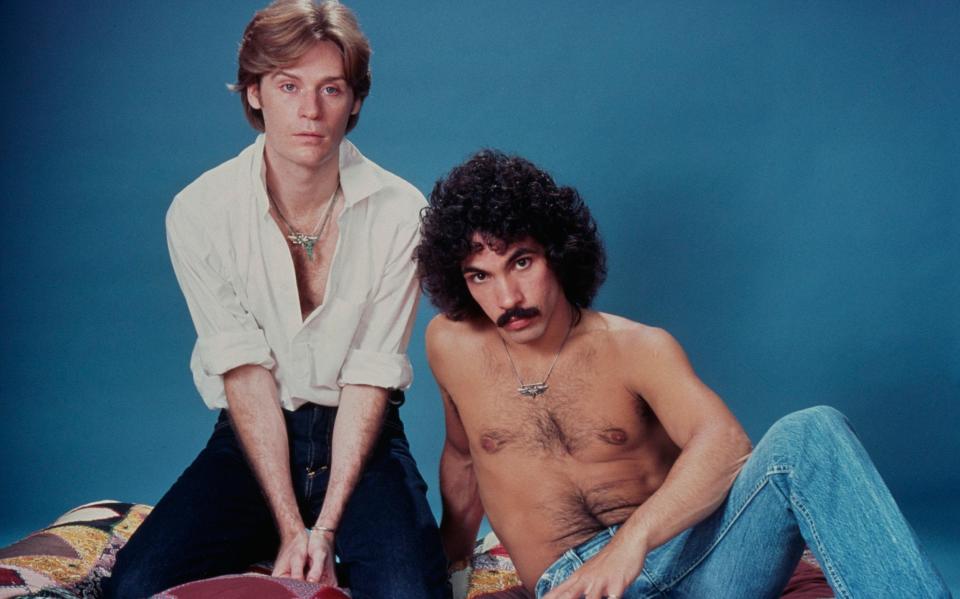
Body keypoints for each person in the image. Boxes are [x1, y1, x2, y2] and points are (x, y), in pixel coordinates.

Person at [415, 150, 950, 599]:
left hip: (695, 560)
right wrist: (451, 568)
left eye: (522, 262)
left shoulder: (636, 347)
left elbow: (724, 443)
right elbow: (464, 457)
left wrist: (631, 544)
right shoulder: (451, 345)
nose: (506, 297)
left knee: (812, 431)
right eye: (480, 276)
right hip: (573, 584)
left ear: (556, 253)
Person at [104, 2, 449, 598]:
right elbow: (243, 373)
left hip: (361, 438)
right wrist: (293, 527)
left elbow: (369, 379)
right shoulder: (200, 211)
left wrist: (328, 527)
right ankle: (267, 535)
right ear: (255, 93)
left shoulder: (401, 212)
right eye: (288, 86)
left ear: (355, 101)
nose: (310, 111)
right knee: (136, 587)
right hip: (252, 437)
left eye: (330, 89)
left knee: (410, 593)